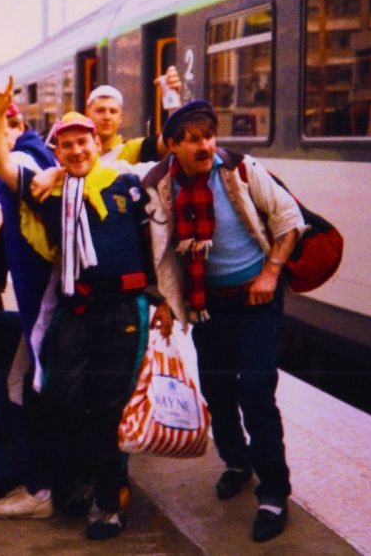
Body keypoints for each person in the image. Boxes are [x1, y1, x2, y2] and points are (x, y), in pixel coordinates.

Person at [0, 79, 152, 541]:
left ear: (98, 144)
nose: (76, 150)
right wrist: (0, 114)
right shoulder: (50, 192)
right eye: (67, 145)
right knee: (63, 398)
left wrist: (165, 307)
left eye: (84, 142)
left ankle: (107, 503)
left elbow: (155, 241)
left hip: (122, 311)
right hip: (78, 311)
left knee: (108, 408)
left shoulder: (127, 182)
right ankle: (83, 480)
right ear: (57, 151)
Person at [144, 100, 304, 543]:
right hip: (208, 304)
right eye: (193, 139)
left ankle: (273, 495)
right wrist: (166, 301)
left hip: (257, 300)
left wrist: (270, 272)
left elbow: (290, 220)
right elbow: (163, 249)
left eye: (209, 137)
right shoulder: (161, 185)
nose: (205, 146)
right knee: (217, 388)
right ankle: (237, 461)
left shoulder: (241, 170)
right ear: (172, 145)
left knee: (255, 391)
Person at [0, 100, 59, 520]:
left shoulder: (24, 157)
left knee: (22, 385)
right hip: (45, 298)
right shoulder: (38, 157)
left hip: (44, 301)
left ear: (19, 126)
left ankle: (39, 490)